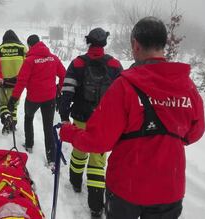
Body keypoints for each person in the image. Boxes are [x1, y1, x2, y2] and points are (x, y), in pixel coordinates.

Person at [60, 17, 205, 219]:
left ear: (135, 44)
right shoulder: (187, 87)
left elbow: (99, 140)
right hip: (169, 188)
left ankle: (77, 183)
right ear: (165, 43)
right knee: (97, 164)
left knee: (85, 158)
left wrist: (69, 131)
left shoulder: (125, 85)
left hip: (127, 188)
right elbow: (194, 133)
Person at [58, 28, 123, 217]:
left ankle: (76, 183)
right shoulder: (115, 64)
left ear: (89, 42)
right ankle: (96, 206)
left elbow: (67, 91)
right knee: (97, 161)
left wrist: (64, 116)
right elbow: (123, 95)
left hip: (80, 118)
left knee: (79, 152)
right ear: (104, 43)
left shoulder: (78, 63)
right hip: (103, 121)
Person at [7, 35, 66, 166]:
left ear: (30, 46)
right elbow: (63, 75)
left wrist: (14, 99)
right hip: (50, 98)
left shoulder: (29, 61)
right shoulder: (54, 58)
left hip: (33, 98)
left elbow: (21, 81)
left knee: (28, 118)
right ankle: (51, 158)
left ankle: (29, 145)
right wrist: (59, 90)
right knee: (48, 126)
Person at [0, 30, 27, 134]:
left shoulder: (0, 48)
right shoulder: (22, 48)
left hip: (4, 82)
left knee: (3, 104)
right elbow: (28, 63)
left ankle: (6, 118)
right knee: (14, 104)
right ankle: (13, 124)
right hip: (17, 82)